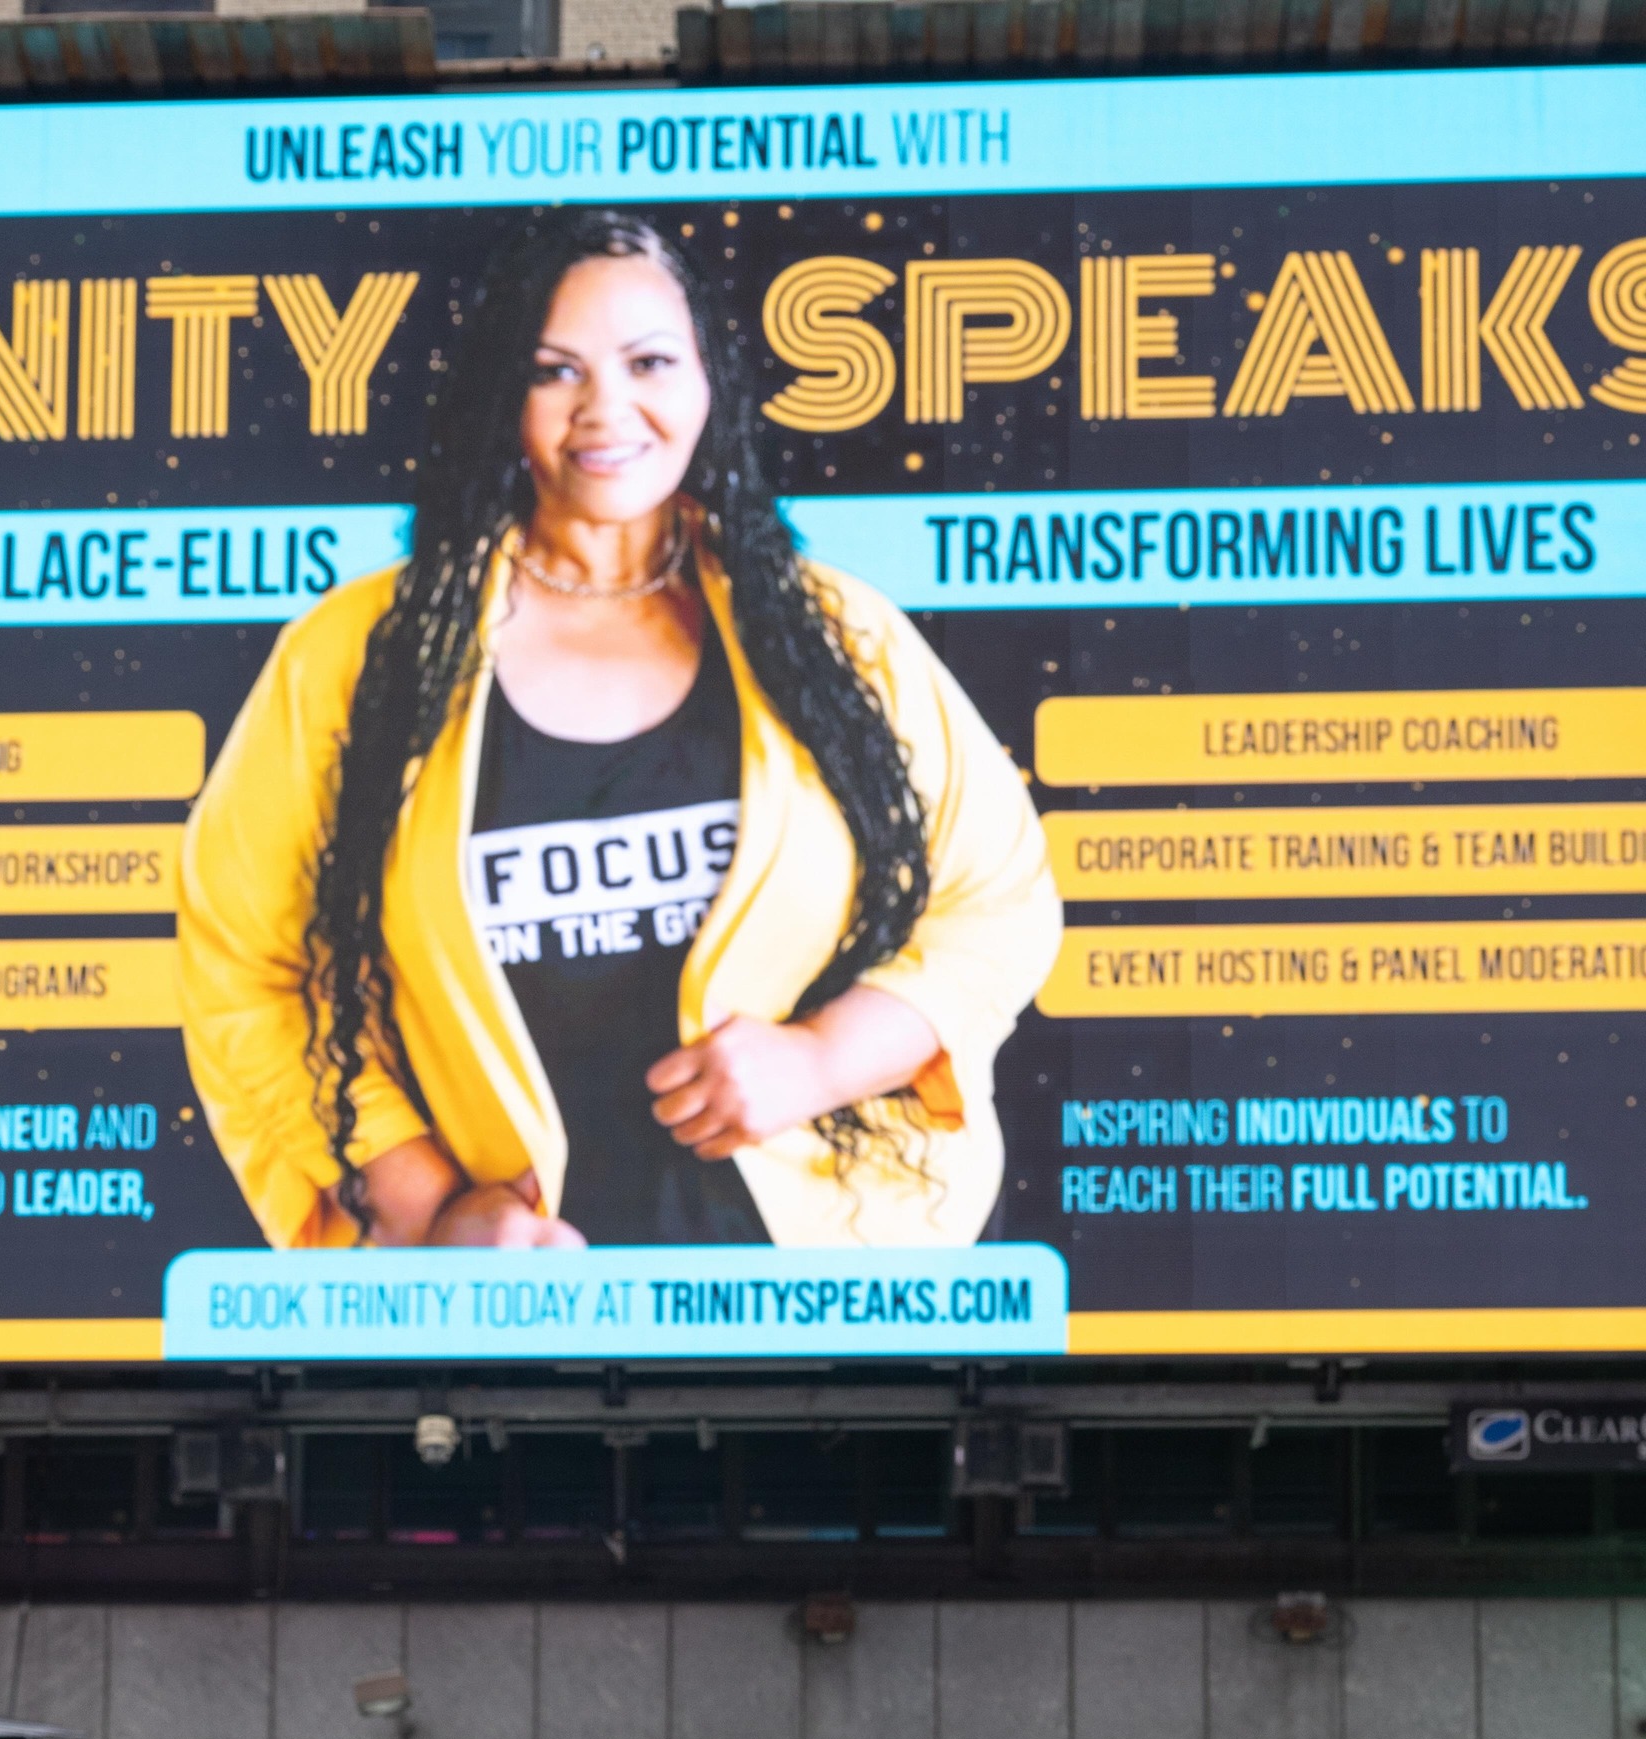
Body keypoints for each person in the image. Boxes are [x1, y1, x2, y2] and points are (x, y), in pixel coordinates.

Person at [178, 211, 1059, 1265]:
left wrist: (823, 1060)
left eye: (648, 361)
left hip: (839, 1286)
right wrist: (428, 1210)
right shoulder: (355, 655)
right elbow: (246, 969)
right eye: (554, 371)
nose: (607, 409)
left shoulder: (840, 633)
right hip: (505, 1315)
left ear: (707, 383)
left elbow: (998, 905)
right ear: (503, 397)